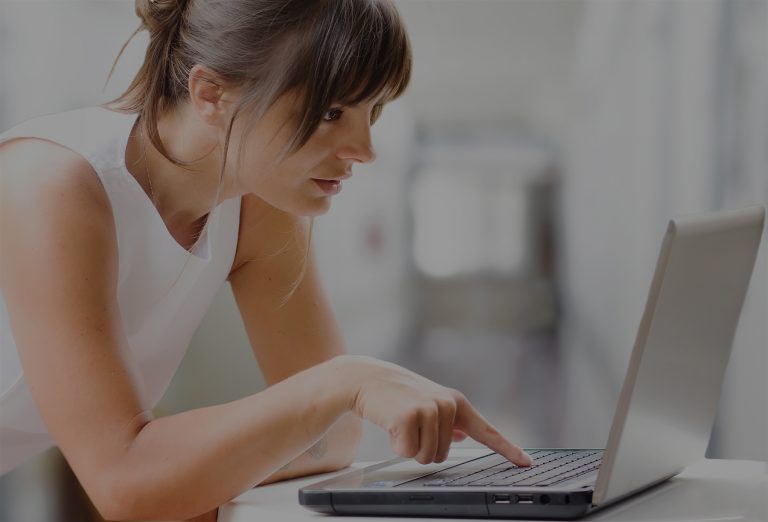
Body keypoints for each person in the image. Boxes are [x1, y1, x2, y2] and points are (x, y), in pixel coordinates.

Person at [0, 0, 532, 520]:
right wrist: (345, 380)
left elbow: (331, 437)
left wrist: (180, 468)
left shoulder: (259, 201)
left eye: (372, 110)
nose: (365, 148)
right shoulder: (51, 185)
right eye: (331, 112)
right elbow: (126, 484)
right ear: (211, 95)